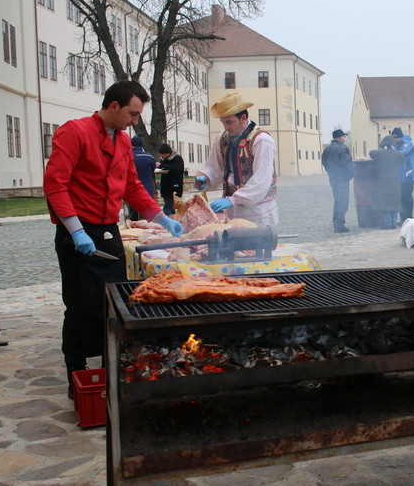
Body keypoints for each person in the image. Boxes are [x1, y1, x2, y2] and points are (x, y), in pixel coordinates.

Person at [43, 80, 184, 398]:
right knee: (79, 306)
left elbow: (131, 186)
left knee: (113, 303)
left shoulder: (122, 140)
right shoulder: (74, 132)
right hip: (77, 232)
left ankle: (111, 368)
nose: (135, 121)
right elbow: (55, 184)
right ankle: (76, 373)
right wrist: (75, 229)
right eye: (132, 114)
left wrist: (160, 217)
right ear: (114, 106)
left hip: (108, 231)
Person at [195, 92, 278, 227]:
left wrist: (235, 199)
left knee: (256, 239)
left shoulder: (261, 140)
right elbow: (214, 168)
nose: (226, 127)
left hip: (257, 210)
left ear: (243, 118)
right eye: (223, 122)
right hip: (232, 210)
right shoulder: (223, 138)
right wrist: (205, 178)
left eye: (229, 122)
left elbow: (262, 179)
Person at [321, 128, 355, 233]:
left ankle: (335, 223)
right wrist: (351, 175)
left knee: (337, 201)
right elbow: (348, 164)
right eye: (344, 136)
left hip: (333, 179)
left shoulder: (327, 149)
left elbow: (324, 162)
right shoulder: (342, 148)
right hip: (342, 179)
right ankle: (339, 225)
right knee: (343, 202)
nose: (345, 138)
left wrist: (330, 173)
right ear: (340, 137)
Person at [369, 135, 404, 229]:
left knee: (385, 201)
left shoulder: (380, 153)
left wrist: (381, 147)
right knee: (394, 201)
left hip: (383, 181)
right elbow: (402, 160)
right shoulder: (397, 153)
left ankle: (388, 223)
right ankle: (394, 223)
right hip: (395, 181)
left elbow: (371, 153)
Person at [127, 134, 156, 221]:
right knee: (147, 214)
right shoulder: (149, 156)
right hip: (147, 187)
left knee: (133, 213)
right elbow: (153, 169)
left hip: (132, 188)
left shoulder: (129, 156)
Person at [391, 127, 414, 223]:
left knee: (407, 197)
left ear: (399, 137)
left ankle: (409, 218)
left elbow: (401, 155)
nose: (394, 140)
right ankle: (403, 219)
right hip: (399, 176)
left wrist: (391, 152)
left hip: (408, 175)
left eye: (395, 138)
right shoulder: (396, 144)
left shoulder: (409, 144)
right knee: (401, 198)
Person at [157, 142, 185, 216]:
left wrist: (161, 165)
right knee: (171, 209)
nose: (161, 156)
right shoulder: (164, 160)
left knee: (167, 208)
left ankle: (165, 220)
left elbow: (176, 169)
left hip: (174, 188)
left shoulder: (177, 158)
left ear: (167, 153)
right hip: (166, 188)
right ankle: (173, 219)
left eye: (162, 154)